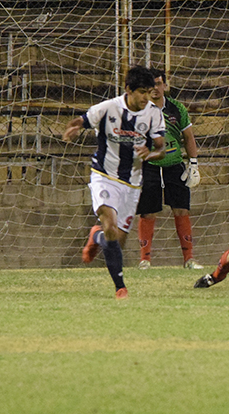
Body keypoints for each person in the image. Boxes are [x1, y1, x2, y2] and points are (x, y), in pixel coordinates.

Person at [62, 66, 166, 299]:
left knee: (115, 240)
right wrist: (73, 128)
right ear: (128, 89)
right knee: (110, 226)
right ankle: (121, 287)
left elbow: (161, 149)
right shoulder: (108, 108)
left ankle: (95, 236)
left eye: (149, 92)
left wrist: (149, 152)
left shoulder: (153, 113)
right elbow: (81, 120)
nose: (145, 97)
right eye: (141, 92)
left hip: (132, 184)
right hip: (104, 176)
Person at [135, 68, 203, 270]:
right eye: (151, 85)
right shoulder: (140, 110)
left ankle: (189, 259)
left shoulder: (177, 109)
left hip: (175, 166)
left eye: (158, 84)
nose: (155, 88)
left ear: (165, 85)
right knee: (148, 212)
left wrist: (193, 164)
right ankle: (145, 259)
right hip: (150, 166)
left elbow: (188, 137)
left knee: (181, 209)